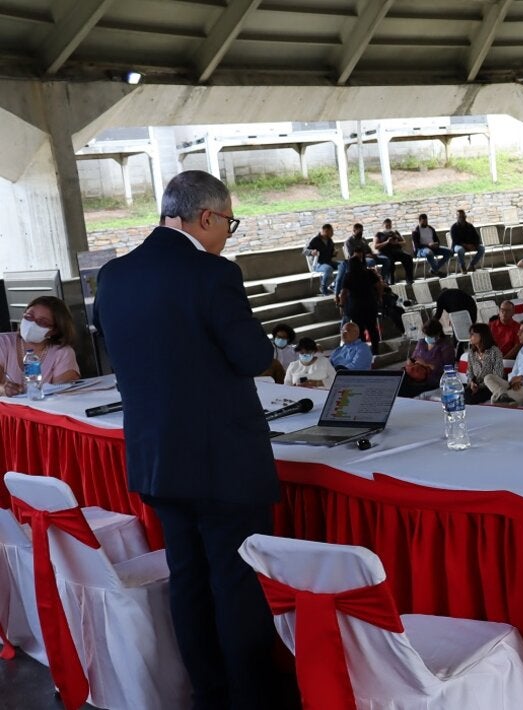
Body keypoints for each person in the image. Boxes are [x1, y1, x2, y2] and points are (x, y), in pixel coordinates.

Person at [92, 170, 294, 708]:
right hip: (224, 461)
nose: (229, 232)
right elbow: (253, 358)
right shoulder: (212, 274)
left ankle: (208, 693)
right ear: (206, 217)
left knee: (187, 578)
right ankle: (252, 697)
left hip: (156, 459)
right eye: (229, 221)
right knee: (235, 583)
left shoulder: (113, 276)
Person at [0, 296, 81, 396]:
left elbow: (64, 395)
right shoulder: (3, 342)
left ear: (54, 331)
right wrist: (3, 390)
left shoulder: (63, 352)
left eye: (42, 322)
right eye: (29, 316)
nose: (32, 323)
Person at [340, 245, 384, 348]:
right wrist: (379, 296)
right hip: (370, 303)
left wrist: (342, 306)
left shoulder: (348, 276)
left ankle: (364, 348)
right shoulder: (368, 273)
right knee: (372, 328)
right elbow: (379, 285)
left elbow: (343, 293)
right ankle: (375, 349)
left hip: (356, 306)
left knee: (359, 329)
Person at [401, 320, 456, 397]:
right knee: (400, 382)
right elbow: (414, 357)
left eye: (430, 335)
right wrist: (410, 361)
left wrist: (427, 365)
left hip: (433, 379)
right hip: (416, 375)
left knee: (407, 389)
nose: (428, 338)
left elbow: (448, 369)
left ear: (438, 334)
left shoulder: (445, 347)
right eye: (426, 335)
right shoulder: (422, 343)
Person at [457, 323, 503, 404]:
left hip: (490, 386)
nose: (470, 337)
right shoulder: (472, 352)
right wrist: (471, 382)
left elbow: (498, 375)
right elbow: (469, 371)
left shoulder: (494, 351)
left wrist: (480, 386)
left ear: (482, 335)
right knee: (460, 397)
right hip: (475, 385)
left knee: (472, 399)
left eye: (472, 334)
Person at [372, 218, 415, 284]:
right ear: (383, 226)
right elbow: (376, 246)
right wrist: (387, 242)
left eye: (390, 225)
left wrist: (396, 243)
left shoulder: (395, 232)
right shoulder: (379, 234)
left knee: (408, 257)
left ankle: (409, 279)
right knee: (390, 261)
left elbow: (404, 242)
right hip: (385, 253)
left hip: (397, 252)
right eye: (387, 226)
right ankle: (390, 280)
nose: (388, 227)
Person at [305, 223, 338, 295]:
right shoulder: (314, 240)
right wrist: (311, 252)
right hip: (318, 264)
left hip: (328, 261)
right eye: (331, 232)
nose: (332, 233)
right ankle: (323, 287)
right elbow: (304, 251)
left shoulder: (330, 240)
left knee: (345, 265)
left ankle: (334, 285)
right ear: (325, 231)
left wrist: (334, 253)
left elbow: (331, 252)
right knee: (328, 268)